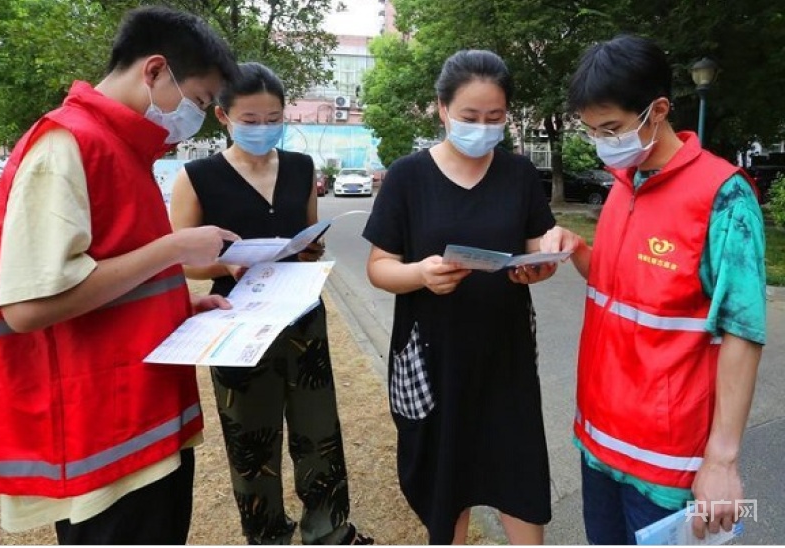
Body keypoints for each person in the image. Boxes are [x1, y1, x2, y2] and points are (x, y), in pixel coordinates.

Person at [0, 6, 241, 544]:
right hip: (103, 437)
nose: (194, 117)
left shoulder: (125, 149)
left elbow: (112, 275)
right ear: (154, 71)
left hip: (142, 426)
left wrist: (176, 308)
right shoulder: (67, 145)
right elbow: (28, 306)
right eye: (196, 102)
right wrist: (173, 248)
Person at [542, 34, 766, 544]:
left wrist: (722, 460)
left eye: (613, 128)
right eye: (592, 130)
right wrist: (575, 248)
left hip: (667, 460)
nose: (603, 142)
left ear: (658, 110)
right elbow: (622, 288)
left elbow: (743, 331)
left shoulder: (723, 197)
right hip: (599, 438)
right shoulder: (625, 183)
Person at [169, 62, 373, 545]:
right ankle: (266, 531)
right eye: (251, 119)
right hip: (235, 321)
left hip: (301, 313)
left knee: (318, 426)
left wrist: (310, 249)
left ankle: (328, 527)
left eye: (273, 118)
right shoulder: (196, 177)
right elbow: (181, 261)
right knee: (250, 436)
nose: (263, 129)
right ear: (224, 116)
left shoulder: (301, 168)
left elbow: (307, 236)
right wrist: (227, 267)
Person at [362, 49, 557, 544]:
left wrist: (540, 265)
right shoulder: (408, 176)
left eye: (495, 117)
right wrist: (420, 274)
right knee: (445, 485)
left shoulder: (518, 175)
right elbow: (379, 268)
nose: (482, 126)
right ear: (442, 109)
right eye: (470, 116)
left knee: (518, 475)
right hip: (433, 357)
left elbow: (539, 249)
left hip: (505, 356)